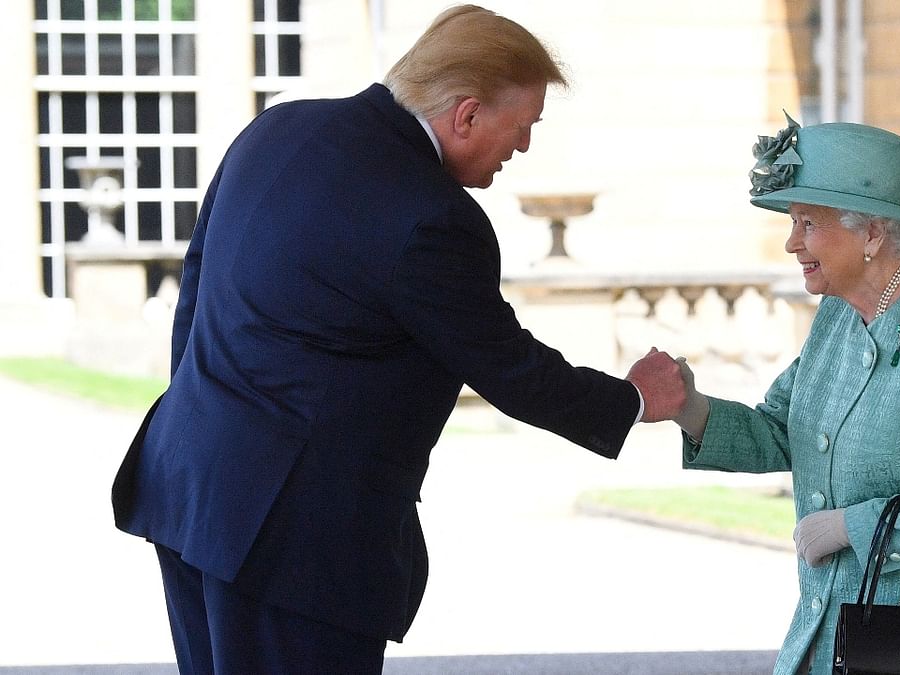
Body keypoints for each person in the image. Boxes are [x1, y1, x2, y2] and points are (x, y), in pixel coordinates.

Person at [111, 5, 685, 673]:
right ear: (466, 115)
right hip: (294, 545)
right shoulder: (435, 218)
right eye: (522, 127)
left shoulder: (277, 128)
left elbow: (198, 283)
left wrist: (207, 417)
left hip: (187, 485)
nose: (523, 148)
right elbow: (510, 368)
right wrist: (634, 399)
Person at [668, 118, 900, 674]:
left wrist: (850, 527)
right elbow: (783, 427)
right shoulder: (840, 312)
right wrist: (689, 407)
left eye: (808, 224)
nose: (791, 242)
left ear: (872, 234)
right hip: (845, 623)